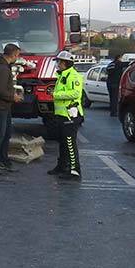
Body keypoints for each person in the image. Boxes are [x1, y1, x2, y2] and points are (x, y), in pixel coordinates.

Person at [0, 43, 23, 175]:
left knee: (6, 134)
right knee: (0, 135)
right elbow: (0, 90)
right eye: (17, 54)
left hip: (2, 106)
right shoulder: (2, 69)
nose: (18, 57)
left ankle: (3, 161)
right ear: (12, 54)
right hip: (0, 106)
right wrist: (14, 97)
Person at [48, 51, 85, 181]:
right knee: (63, 143)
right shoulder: (62, 75)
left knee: (70, 143)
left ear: (65, 63)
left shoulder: (74, 76)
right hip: (61, 115)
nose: (57, 64)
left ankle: (75, 171)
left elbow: (75, 93)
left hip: (70, 116)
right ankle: (62, 166)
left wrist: (56, 95)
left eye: (59, 62)